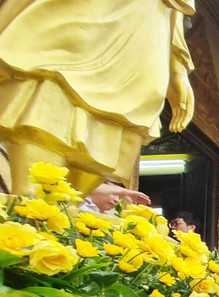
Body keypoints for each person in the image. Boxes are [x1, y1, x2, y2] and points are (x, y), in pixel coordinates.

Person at [0, 0, 195, 195]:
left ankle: (57, 205)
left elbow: (172, 10)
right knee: (56, 75)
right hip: (91, 13)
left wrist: (177, 69)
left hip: (147, 22)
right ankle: (33, 200)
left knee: (128, 109)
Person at [81, 181, 151, 213]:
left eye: (120, 197)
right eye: (114, 193)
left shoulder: (106, 216)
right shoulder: (79, 200)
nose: (117, 200)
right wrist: (125, 192)